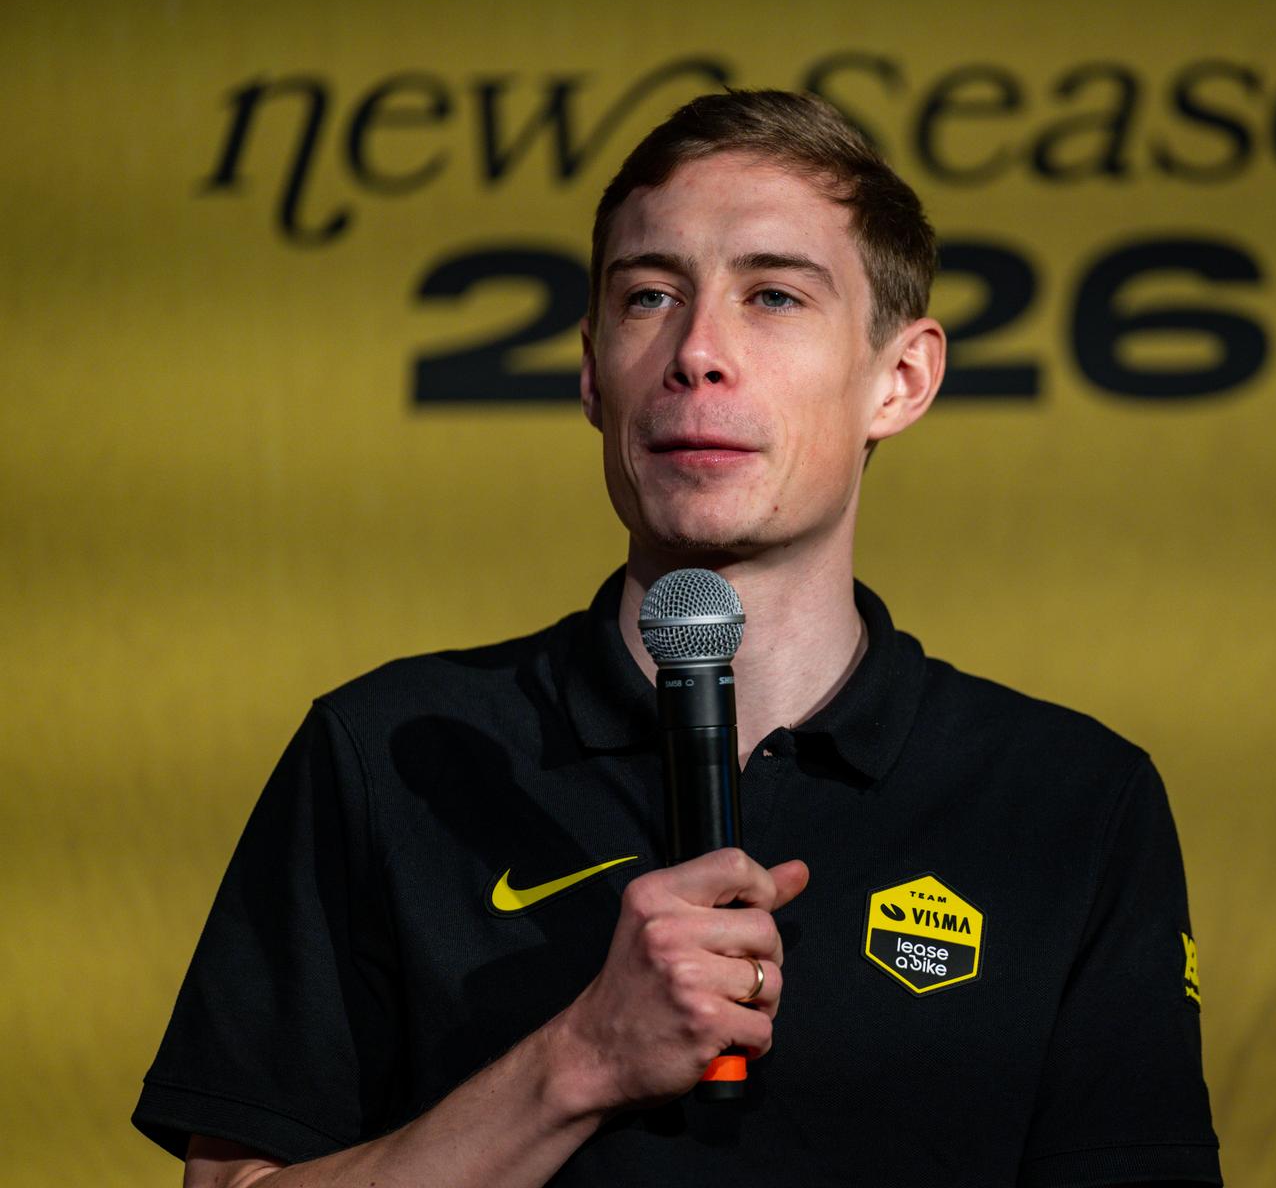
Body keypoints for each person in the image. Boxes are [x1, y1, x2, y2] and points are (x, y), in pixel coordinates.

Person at [134, 90, 1220, 1187]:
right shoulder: (383, 754)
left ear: (902, 378)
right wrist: (578, 1061)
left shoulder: (1067, 799)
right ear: (591, 370)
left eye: (775, 295)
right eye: (650, 295)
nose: (697, 351)